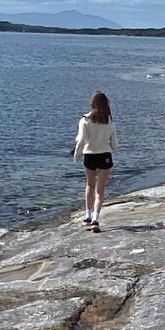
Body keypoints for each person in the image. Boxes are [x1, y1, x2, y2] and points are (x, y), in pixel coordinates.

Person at [72, 91, 117, 232]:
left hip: (90, 155)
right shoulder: (109, 120)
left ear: (92, 104)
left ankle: (87, 215)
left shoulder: (85, 120)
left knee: (90, 185)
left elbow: (81, 140)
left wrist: (77, 154)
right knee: (100, 190)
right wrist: (110, 147)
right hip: (105, 155)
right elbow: (114, 144)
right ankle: (96, 219)